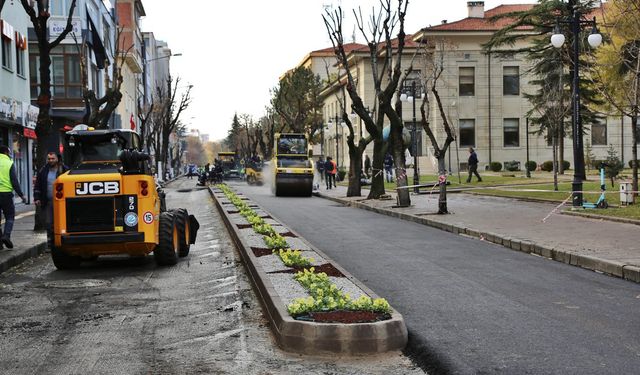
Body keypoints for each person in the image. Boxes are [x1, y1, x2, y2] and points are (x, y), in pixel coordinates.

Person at [34, 151, 69, 249]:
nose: (50, 160)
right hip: (48, 202)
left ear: (57, 159)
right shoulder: (43, 170)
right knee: (49, 223)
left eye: (52, 158)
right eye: (49, 159)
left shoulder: (64, 170)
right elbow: (38, 185)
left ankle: (62, 243)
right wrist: (37, 198)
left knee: (61, 222)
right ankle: (50, 243)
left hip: (62, 202)